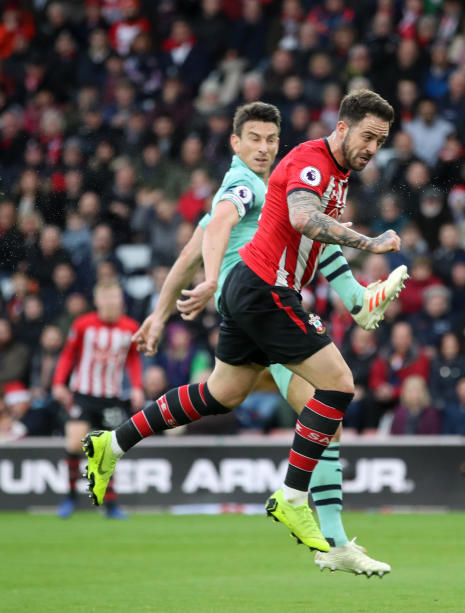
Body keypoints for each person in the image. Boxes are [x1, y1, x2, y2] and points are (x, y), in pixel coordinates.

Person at [83, 90, 402, 562]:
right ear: (341, 128)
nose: (374, 147)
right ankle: (299, 505)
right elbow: (278, 222)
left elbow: (303, 238)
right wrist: (369, 244)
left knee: (222, 394)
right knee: (336, 388)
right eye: (369, 136)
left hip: (247, 293)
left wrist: (161, 310)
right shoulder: (267, 176)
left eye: (382, 140)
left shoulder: (328, 175)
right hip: (264, 291)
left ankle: (112, 443)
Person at [53, 280, 143, 520]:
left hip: (110, 398)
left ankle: (111, 505)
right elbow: (68, 354)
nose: (113, 303)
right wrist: (58, 383)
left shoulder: (130, 327)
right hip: (83, 394)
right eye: (109, 298)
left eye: (117, 298)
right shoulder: (83, 325)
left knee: (108, 451)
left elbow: (133, 359)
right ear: (98, 301)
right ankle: (70, 498)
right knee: (74, 445)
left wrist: (136, 387)